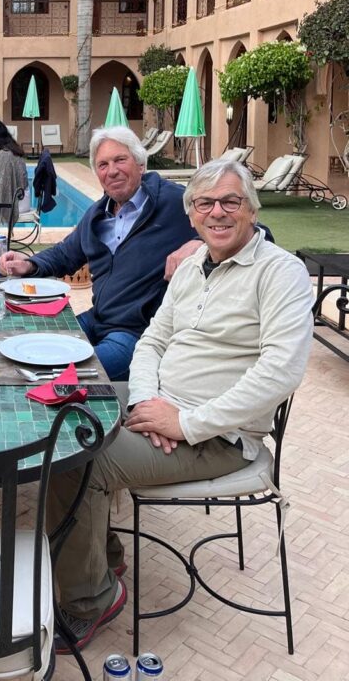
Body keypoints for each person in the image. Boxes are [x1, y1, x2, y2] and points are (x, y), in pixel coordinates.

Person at [48, 159, 313, 655]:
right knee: (65, 410)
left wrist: (187, 423)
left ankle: (90, 599)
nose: (218, 212)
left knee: (76, 458)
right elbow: (151, 341)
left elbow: (281, 373)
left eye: (230, 201)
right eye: (205, 203)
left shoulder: (281, 272)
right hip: (164, 404)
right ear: (191, 215)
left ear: (252, 210)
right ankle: (100, 556)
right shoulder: (192, 266)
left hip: (220, 436)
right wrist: (147, 401)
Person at [0, 126, 201, 380]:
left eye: (120, 160)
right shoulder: (98, 213)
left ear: (140, 164)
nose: (112, 171)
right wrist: (29, 263)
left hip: (136, 335)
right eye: (103, 165)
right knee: (29, 347)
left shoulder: (174, 201)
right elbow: (65, 253)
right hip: (97, 319)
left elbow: (240, 227)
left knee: (56, 374)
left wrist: (200, 244)